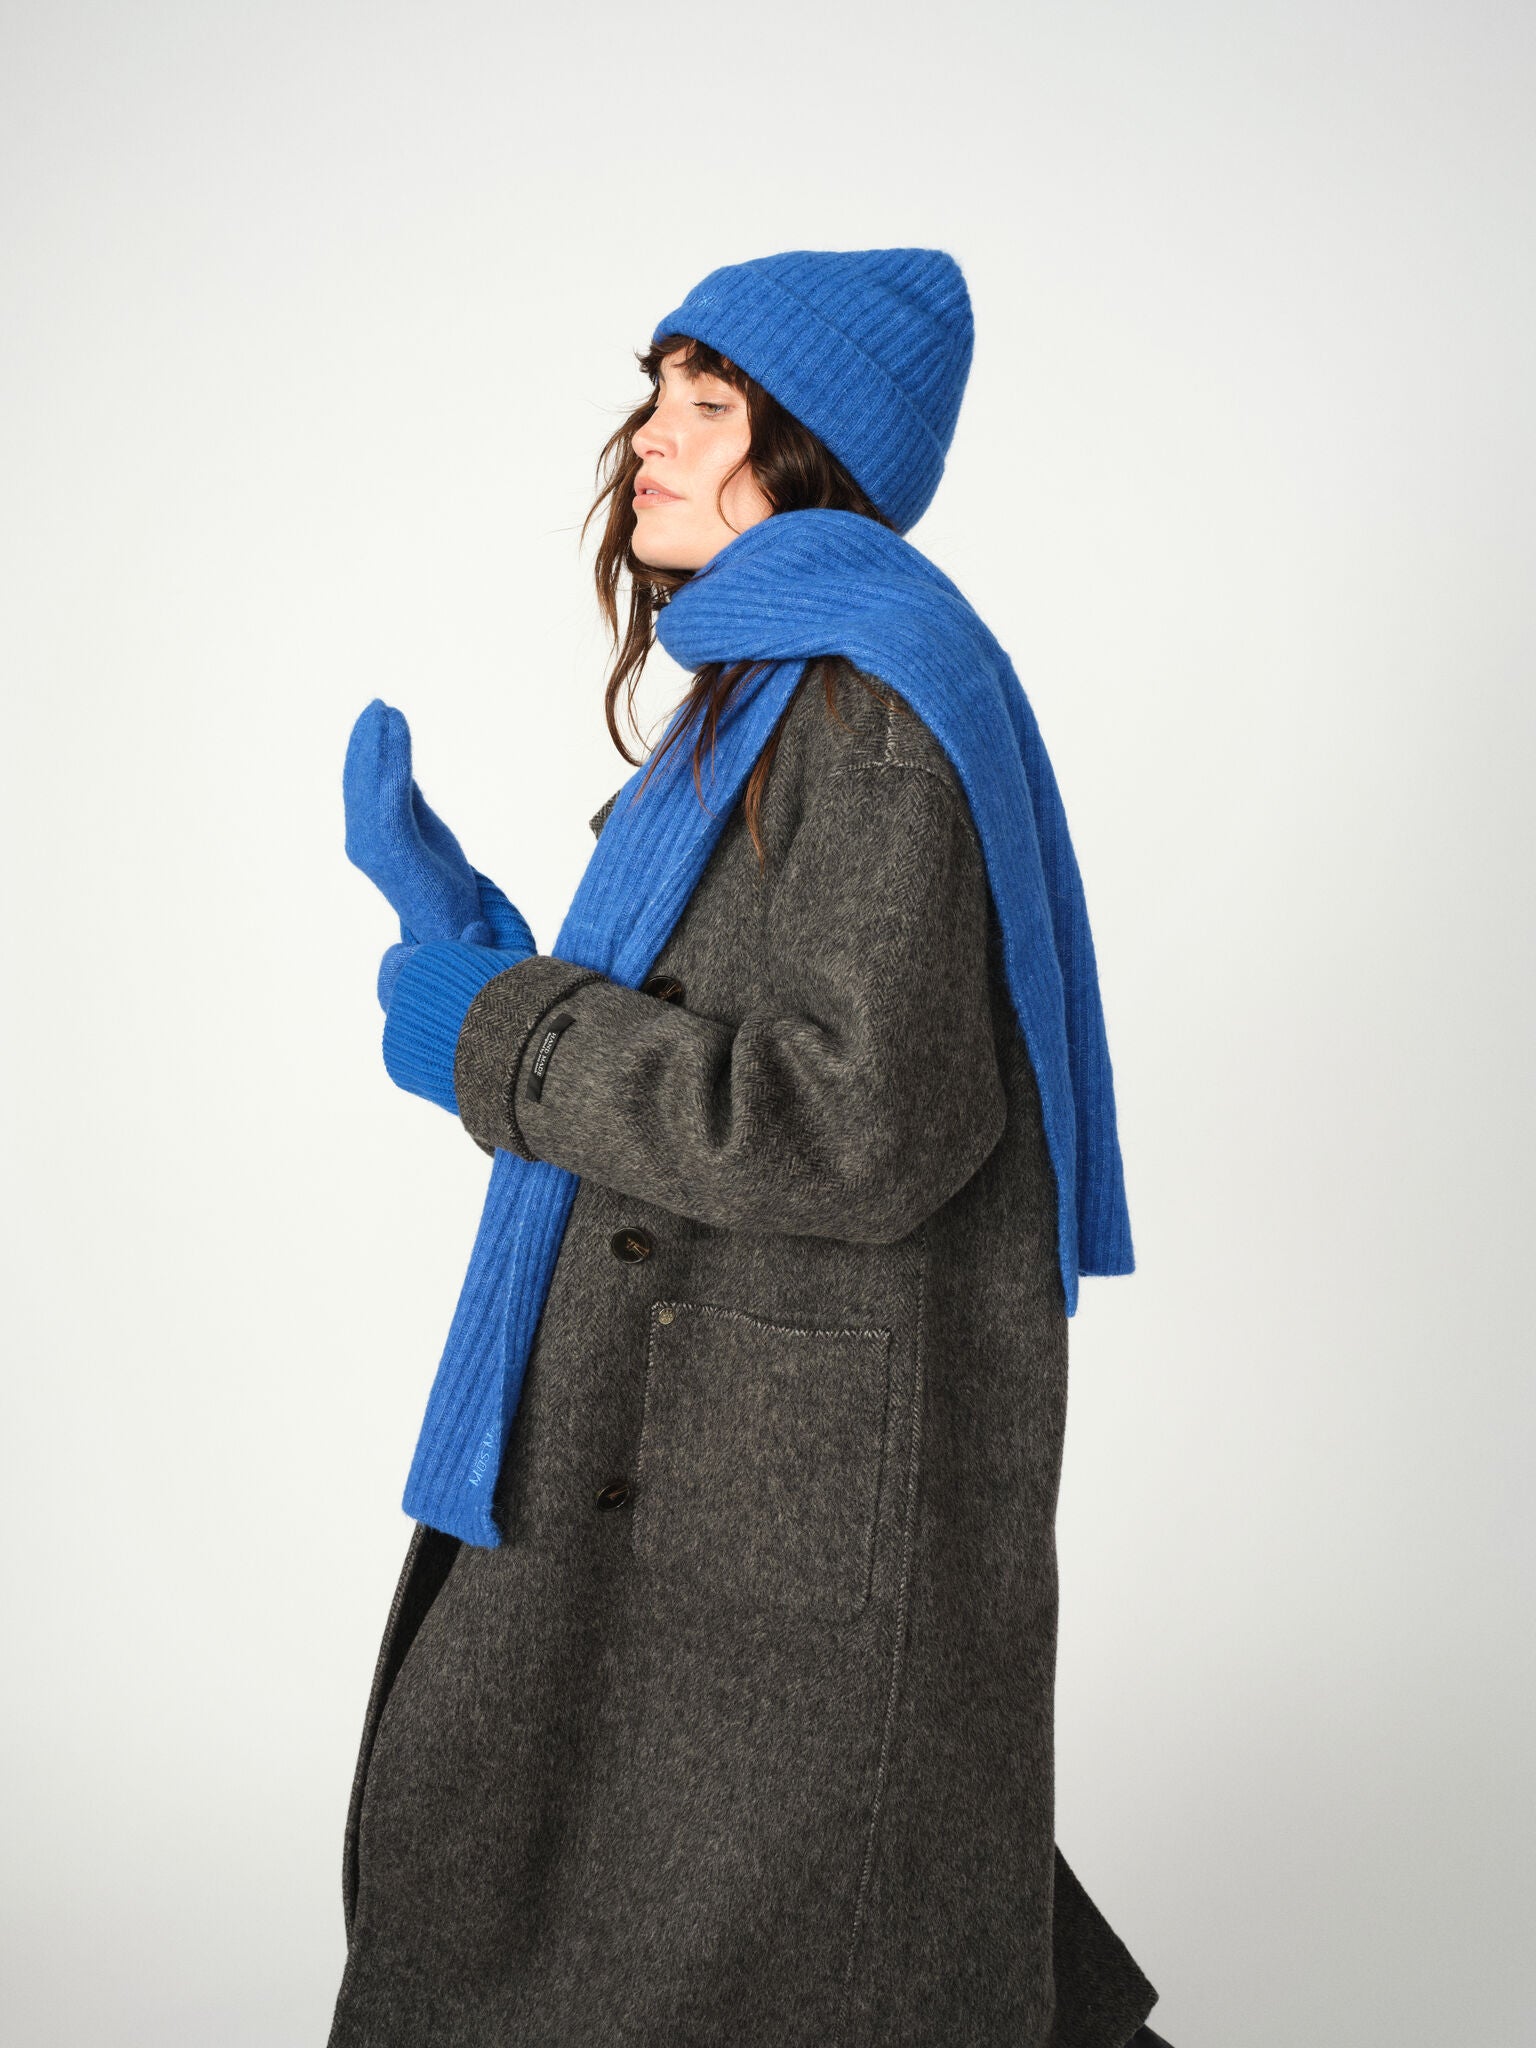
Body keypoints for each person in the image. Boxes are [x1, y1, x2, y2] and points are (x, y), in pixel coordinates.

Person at [330, 246, 1174, 2048]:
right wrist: (475, 950)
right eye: (656, 392)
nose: (649, 435)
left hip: (762, 1467)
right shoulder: (772, 690)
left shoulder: (868, 715)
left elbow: (856, 1126)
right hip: (709, 1429)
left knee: (690, 1922)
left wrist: (497, 1031)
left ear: (812, 459)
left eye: (708, 406)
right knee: (710, 1906)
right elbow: (716, 1039)